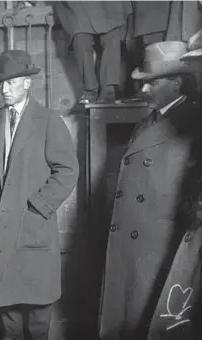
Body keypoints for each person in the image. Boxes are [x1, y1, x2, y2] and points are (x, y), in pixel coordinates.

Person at [99, 40, 202, 340]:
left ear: (177, 82)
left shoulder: (193, 121)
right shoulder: (150, 121)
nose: (143, 90)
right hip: (139, 243)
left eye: (151, 83)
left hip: (160, 245)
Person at [0, 50, 79, 340]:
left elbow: (68, 170)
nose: (4, 88)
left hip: (32, 223)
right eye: (1, 82)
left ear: (27, 83)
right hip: (0, 229)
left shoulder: (48, 120)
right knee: (8, 305)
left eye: (11, 82)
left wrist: (39, 205)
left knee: (37, 308)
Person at [55, 1, 133, 104]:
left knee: (112, 38)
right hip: (76, 5)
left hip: (110, 6)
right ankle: (90, 89)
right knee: (80, 40)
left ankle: (109, 89)